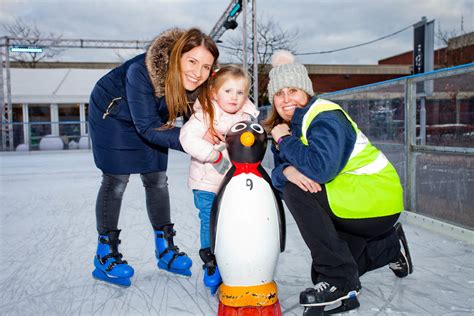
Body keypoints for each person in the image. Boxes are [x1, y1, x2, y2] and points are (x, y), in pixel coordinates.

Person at [264, 51, 413, 312]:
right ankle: (387, 247)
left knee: (296, 191)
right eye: (279, 94)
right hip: (348, 200)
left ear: (307, 92)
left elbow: (320, 170)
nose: (286, 99)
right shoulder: (288, 128)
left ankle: (339, 280)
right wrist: (285, 171)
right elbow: (280, 174)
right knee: (319, 275)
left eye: (293, 90)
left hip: (375, 198)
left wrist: (284, 143)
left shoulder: (325, 117)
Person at [88, 27, 219, 287]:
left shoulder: (195, 84)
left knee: (157, 179)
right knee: (117, 180)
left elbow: (204, 116)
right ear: (177, 56)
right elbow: (148, 128)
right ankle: (105, 254)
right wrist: (196, 143)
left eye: (206, 67)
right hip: (112, 114)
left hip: (149, 116)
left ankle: (165, 249)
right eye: (192, 61)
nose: (198, 72)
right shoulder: (142, 72)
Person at [179, 65, 259, 294]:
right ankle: (211, 260)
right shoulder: (205, 114)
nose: (234, 97)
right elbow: (187, 137)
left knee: (233, 220)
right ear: (214, 93)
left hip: (234, 183)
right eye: (228, 91)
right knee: (209, 219)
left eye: (240, 92)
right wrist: (212, 154)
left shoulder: (248, 117)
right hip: (206, 182)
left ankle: (234, 256)